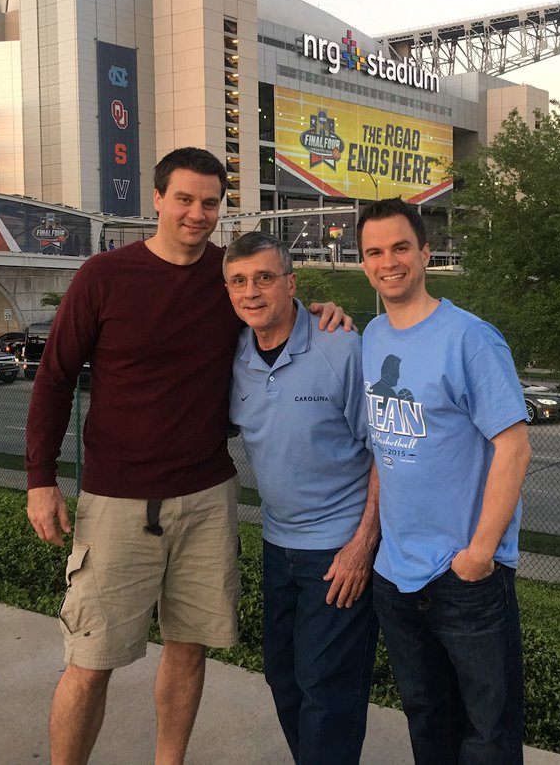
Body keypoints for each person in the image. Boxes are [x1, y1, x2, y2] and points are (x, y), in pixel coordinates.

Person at [24, 147, 350, 765]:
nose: (197, 214)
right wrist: (41, 480)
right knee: (90, 662)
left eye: (209, 202)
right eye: (184, 199)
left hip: (205, 497)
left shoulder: (228, 279)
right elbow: (54, 378)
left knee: (189, 648)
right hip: (118, 500)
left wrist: (328, 314)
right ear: (156, 198)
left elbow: (277, 311)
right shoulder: (104, 276)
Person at [356, 197, 532, 765]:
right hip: (396, 576)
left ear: (425, 254)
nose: (390, 261)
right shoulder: (372, 337)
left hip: (465, 578)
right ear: (363, 264)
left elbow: (514, 448)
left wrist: (480, 554)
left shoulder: (470, 338)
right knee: (428, 720)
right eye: (375, 251)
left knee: (489, 734)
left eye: (401, 247)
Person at [224, 232, 379, 765]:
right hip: (277, 545)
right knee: (284, 677)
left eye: (265, 278)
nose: (252, 291)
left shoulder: (341, 347)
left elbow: (384, 452)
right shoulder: (235, 356)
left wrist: (363, 544)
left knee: (327, 689)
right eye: (239, 281)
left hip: (337, 551)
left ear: (291, 283)